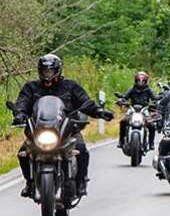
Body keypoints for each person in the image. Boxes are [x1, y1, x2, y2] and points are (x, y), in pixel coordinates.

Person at [12, 53, 113, 197]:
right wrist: (19, 114)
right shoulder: (31, 87)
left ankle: (81, 182)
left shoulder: (70, 86)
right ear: (40, 71)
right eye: (45, 71)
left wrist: (99, 112)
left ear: (58, 71)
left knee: (82, 150)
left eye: (51, 71)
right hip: (39, 132)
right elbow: (22, 102)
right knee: (23, 153)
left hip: (67, 130)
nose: (48, 75)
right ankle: (30, 183)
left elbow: (84, 101)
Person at [115, 70, 157, 148]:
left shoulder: (148, 90)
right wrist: (121, 100)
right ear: (136, 81)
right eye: (139, 81)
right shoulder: (132, 89)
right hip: (132, 109)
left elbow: (154, 98)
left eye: (143, 81)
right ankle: (121, 141)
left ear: (146, 81)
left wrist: (156, 102)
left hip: (144, 109)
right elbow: (125, 97)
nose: (140, 83)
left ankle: (151, 143)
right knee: (123, 121)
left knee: (152, 125)